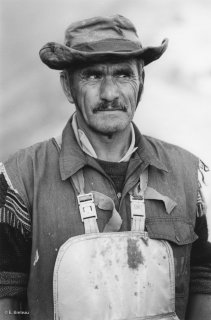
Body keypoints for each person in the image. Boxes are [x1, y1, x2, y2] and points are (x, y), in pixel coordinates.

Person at [0, 14, 210, 320]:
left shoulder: (187, 175)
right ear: (68, 87)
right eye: (92, 75)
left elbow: (204, 280)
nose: (110, 93)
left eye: (124, 75)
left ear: (142, 82)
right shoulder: (21, 178)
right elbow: (6, 293)